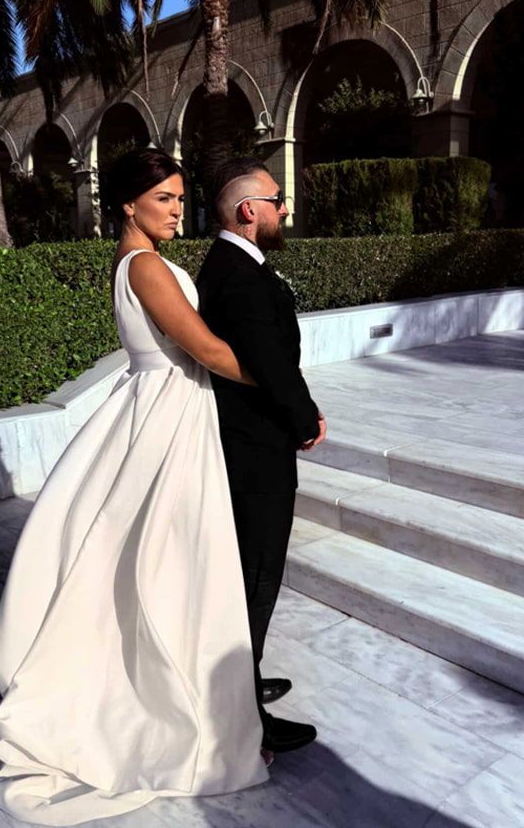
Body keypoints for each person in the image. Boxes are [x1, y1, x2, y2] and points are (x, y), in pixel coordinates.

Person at [0, 148, 269, 826]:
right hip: (164, 416)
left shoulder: (144, 262)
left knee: (158, 562)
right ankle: (155, 707)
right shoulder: (144, 266)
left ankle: (182, 682)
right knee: (159, 562)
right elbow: (206, 350)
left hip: (170, 410)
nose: (177, 210)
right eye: (164, 199)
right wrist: (280, 389)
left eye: (181, 199)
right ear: (129, 204)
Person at [197, 158, 326, 754]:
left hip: (248, 443)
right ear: (250, 211)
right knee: (257, 578)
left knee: (251, 574)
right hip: (256, 451)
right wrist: (305, 418)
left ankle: (242, 681)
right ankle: (241, 712)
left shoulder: (232, 264)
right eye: (277, 200)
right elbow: (268, 360)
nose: (284, 209)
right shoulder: (240, 273)